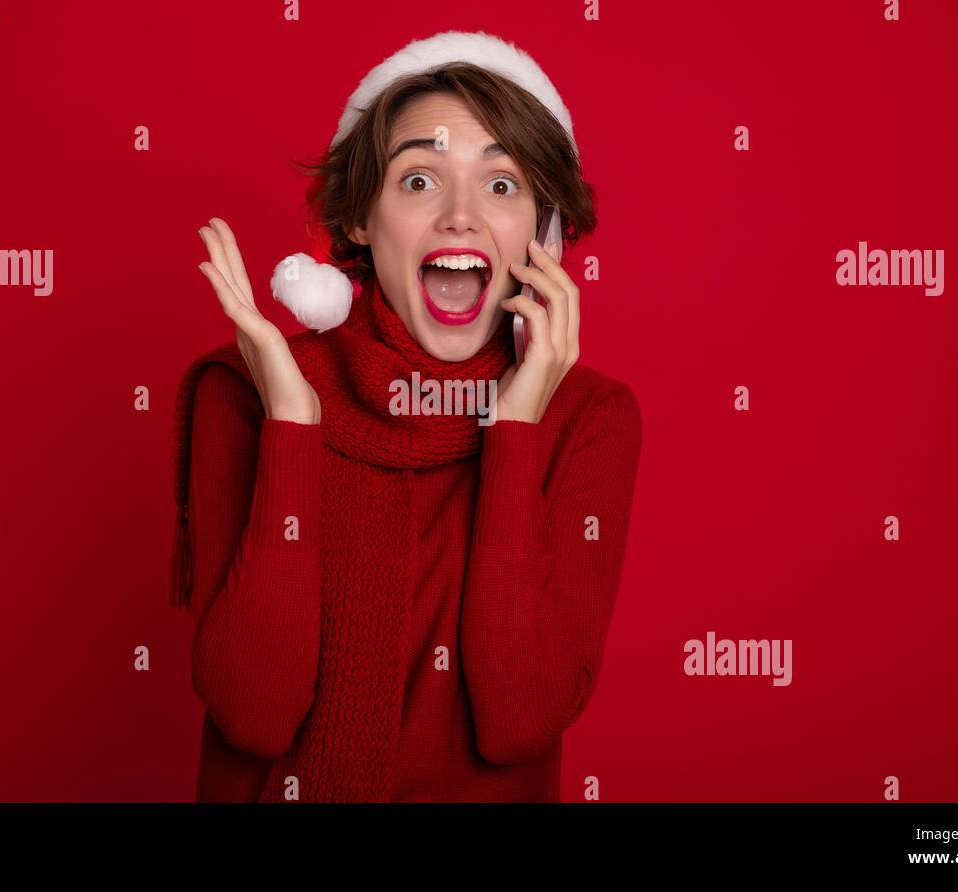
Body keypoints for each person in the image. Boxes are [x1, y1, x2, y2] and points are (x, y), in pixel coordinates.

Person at [168, 31, 642, 802]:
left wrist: (514, 434)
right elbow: (254, 715)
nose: (460, 218)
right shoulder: (251, 390)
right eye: (419, 181)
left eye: (502, 185)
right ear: (358, 221)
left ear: (541, 233)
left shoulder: (590, 418)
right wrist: (293, 426)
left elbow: (518, 722)